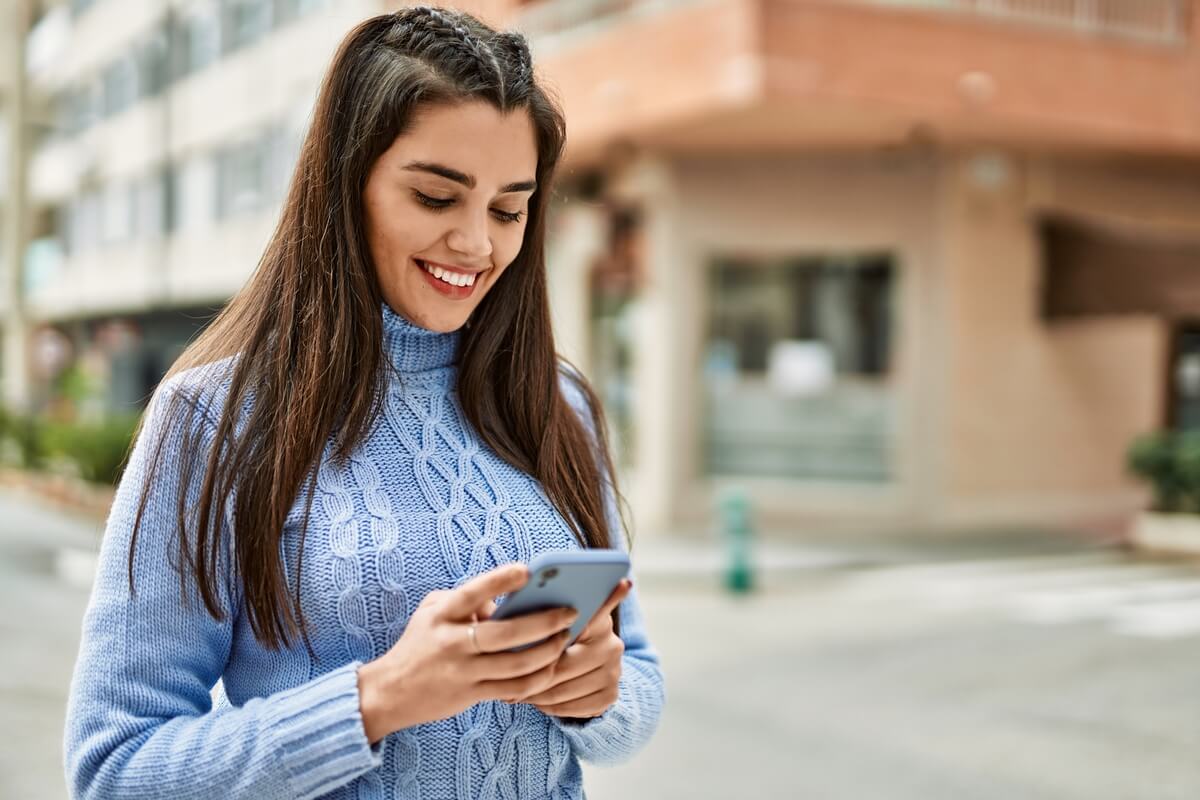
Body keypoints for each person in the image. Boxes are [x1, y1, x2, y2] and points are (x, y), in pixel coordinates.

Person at [62, 6, 665, 798]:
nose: (477, 244)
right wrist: (378, 699)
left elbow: (637, 676)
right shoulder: (213, 419)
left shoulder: (559, 403)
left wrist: (597, 695)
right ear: (349, 186)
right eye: (436, 197)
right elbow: (114, 768)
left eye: (508, 209)